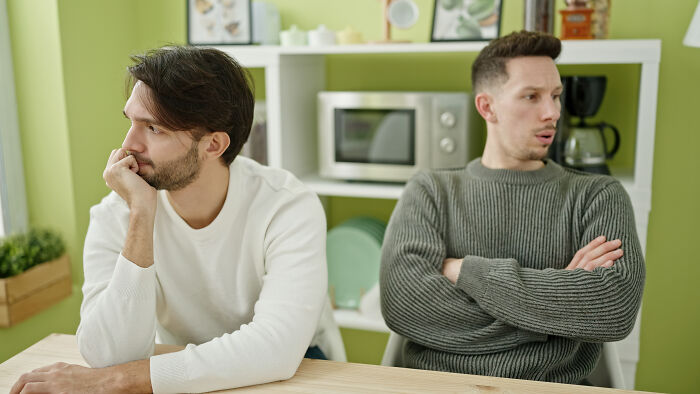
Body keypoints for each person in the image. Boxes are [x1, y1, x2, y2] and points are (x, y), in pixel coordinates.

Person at [11, 46, 342, 394]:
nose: (128, 146)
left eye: (153, 128)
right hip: (180, 370)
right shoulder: (117, 212)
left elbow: (276, 348)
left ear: (213, 145)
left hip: (295, 372)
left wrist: (118, 380)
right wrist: (140, 216)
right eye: (131, 122)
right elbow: (109, 356)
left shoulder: (287, 206)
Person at [379, 30, 645, 384]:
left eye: (555, 96)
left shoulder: (597, 195)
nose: (552, 112)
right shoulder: (430, 191)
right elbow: (405, 304)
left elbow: (613, 310)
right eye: (531, 96)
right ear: (487, 107)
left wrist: (465, 272)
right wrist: (559, 315)